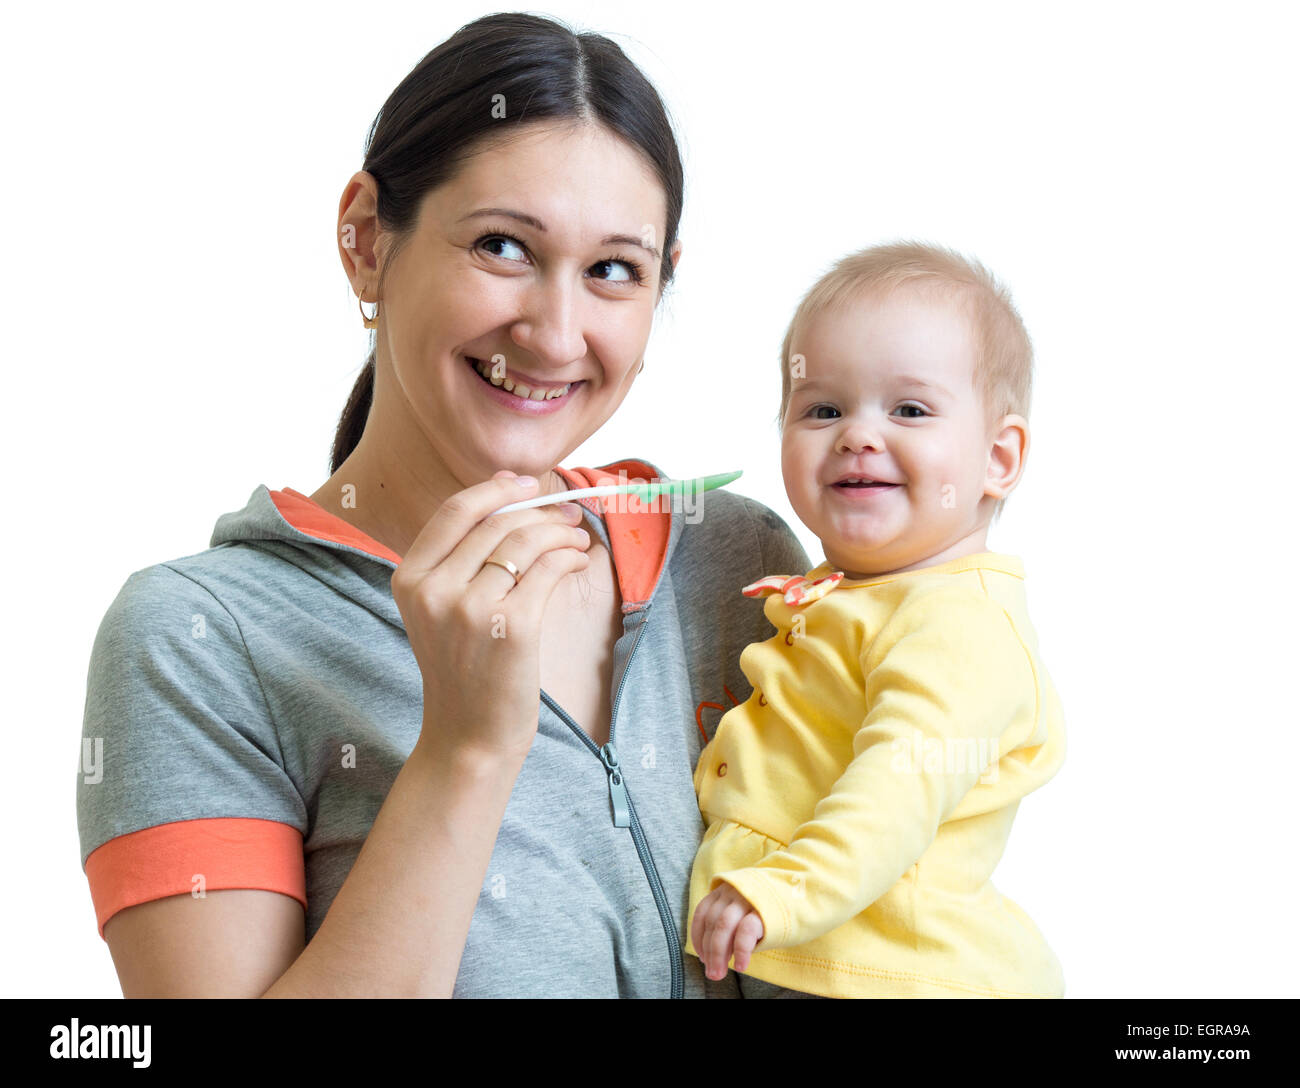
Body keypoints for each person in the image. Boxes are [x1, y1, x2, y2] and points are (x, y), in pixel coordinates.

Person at [75, 12, 811, 998]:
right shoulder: (195, 639)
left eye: (612, 270)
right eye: (503, 246)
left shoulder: (737, 563)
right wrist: (465, 750)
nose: (555, 334)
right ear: (366, 239)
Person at [685, 242, 1068, 998]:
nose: (858, 434)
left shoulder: (960, 629)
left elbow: (894, 795)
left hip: (899, 975)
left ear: (998, 457)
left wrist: (778, 891)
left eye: (910, 410)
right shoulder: (851, 593)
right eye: (822, 408)